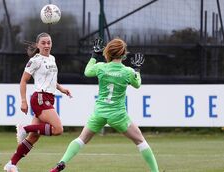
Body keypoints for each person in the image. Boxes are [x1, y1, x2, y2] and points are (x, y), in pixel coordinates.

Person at [49, 38, 159, 172]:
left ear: (108, 52)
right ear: (124, 54)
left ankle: (62, 162)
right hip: (118, 115)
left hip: (100, 112)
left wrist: (95, 55)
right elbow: (137, 85)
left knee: (81, 139)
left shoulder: (101, 67)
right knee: (141, 141)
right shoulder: (128, 71)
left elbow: (87, 71)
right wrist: (137, 70)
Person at [4, 32, 72, 172]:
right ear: (37, 45)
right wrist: (23, 101)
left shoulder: (52, 58)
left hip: (48, 98)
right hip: (40, 98)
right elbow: (23, 80)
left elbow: (51, 80)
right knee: (58, 129)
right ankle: (24, 128)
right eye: (43, 43)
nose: (47, 45)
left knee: (33, 137)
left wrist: (61, 89)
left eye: (49, 42)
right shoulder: (35, 60)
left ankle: (11, 164)